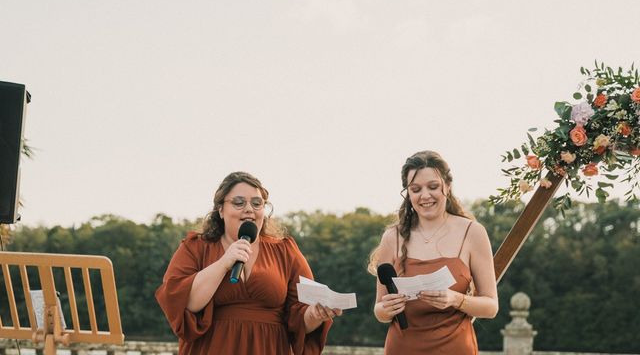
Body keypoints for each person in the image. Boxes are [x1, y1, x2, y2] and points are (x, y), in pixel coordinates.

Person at [156, 171, 341, 355]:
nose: (249, 209)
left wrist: (315, 315)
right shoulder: (195, 247)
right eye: (238, 203)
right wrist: (224, 263)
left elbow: (300, 314)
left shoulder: (285, 250)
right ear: (220, 209)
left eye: (257, 203)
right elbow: (185, 302)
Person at [369, 150, 498, 354]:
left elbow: (491, 307)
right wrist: (386, 309)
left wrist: (456, 299)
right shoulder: (391, 237)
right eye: (416, 189)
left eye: (433, 187)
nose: (425, 195)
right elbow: (379, 310)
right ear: (408, 193)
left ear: (447, 186)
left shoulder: (473, 233)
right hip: (402, 348)